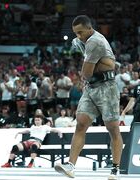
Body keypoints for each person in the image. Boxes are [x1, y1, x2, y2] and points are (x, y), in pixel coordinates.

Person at [54, 15, 123, 180]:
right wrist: (105, 64)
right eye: (75, 33)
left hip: (107, 89)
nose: (78, 36)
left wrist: (104, 65)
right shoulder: (82, 40)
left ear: (89, 28)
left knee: (113, 129)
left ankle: (115, 169)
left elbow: (86, 73)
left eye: (80, 32)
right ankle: (71, 166)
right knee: (80, 124)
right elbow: (103, 68)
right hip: (91, 88)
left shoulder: (95, 41)